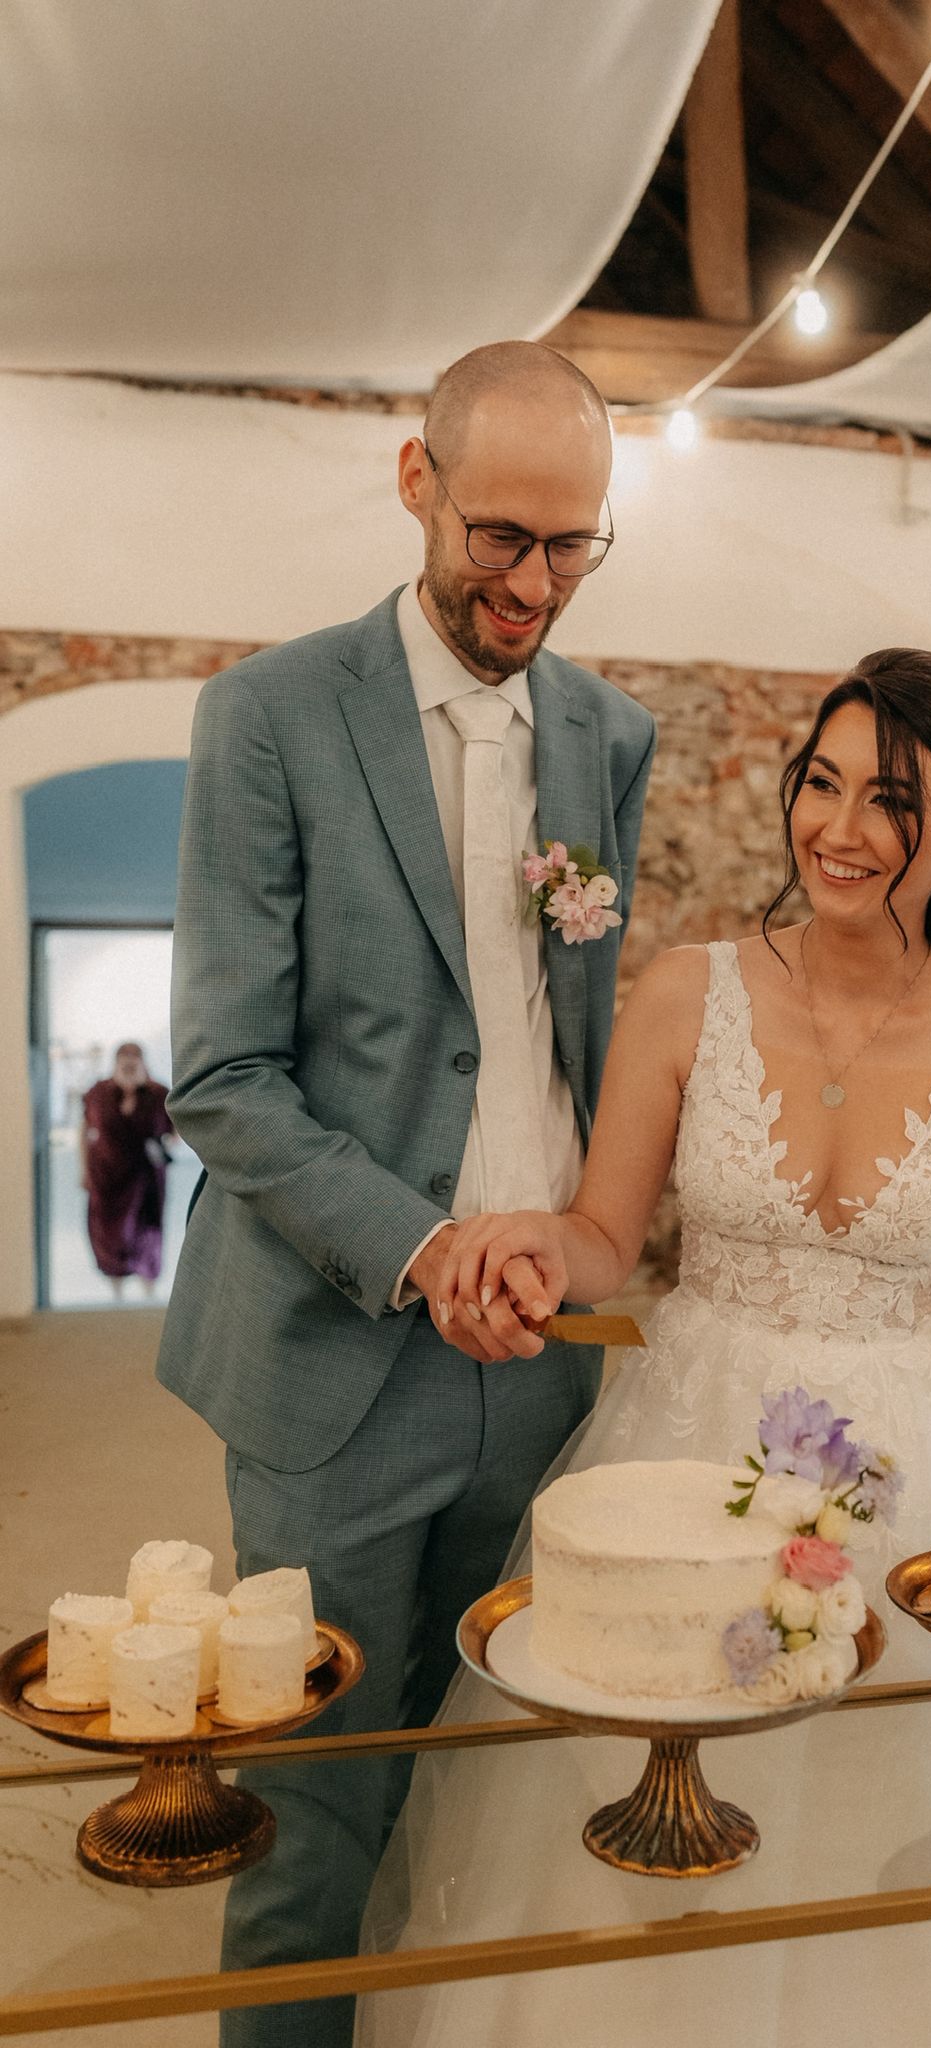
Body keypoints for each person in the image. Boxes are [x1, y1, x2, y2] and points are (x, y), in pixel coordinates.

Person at [358, 653, 931, 2048]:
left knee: (892, 1819)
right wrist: (533, 1233)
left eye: (888, 801)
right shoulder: (687, 990)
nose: (836, 829)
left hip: (908, 1480)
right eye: (820, 783)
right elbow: (604, 1234)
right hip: (689, 1453)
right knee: (642, 1816)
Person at [157, 341, 656, 2048]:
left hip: (545, 1361)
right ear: (414, 481)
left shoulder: (609, 735)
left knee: (484, 1803)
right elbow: (225, 1074)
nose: (531, 586)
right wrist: (424, 1245)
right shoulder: (270, 715)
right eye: (499, 536)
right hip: (335, 1362)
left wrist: (575, 1236)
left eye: (571, 547)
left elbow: (569, 1042)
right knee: (315, 1817)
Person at [79, 1041, 175, 1298]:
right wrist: (84, 1170)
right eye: (125, 1064)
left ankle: (148, 1296)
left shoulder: (159, 1094)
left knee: (147, 1234)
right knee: (108, 1235)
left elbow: (176, 1132)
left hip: (145, 1179)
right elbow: (85, 1131)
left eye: (134, 1064)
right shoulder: (98, 1093)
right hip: (106, 1176)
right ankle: (117, 1296)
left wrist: (162, 1144)